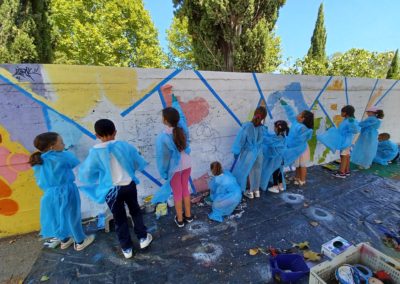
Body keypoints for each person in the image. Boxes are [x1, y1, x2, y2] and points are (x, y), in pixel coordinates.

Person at [78, 119, 152, 259]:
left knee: (119, 219)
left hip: (111, 191)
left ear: (97, 135)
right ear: (115, 132)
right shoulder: (124, 146)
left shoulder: (94, 152)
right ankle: (143, 238)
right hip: (128, 186)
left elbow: (86, 173)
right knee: (135, 211)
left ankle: (126, 248)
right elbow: (137, 161)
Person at [29, 132, 94, 251]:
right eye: (61, 142)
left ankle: (64, 240)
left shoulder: (37, 160)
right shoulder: (62, 156)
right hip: (67, 190)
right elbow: (74, 162)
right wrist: (65, 151)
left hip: (49, 194)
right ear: (52, 146)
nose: (64, 144)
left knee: (57, 216)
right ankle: (80, 241)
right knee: (72, 215)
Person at [152, 85, 193, 228]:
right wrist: (174, 101)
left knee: (177, 193)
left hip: (175, 168)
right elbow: (180, 115)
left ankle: (180, 219)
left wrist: (164, 173)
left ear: (165, 120)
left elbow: (162, 158)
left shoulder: (163, 137)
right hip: (187, 163)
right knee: (185, 190)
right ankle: (188, 216)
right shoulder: (182, 128)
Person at [232, 106, 267, 199]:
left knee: (245, 171)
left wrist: (236, 152)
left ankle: (249, 192)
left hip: (249, 153)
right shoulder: (263, 128)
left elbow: (240, 140)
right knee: (257, 171)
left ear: (254, 114)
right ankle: (256, 190)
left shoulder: (247, 126)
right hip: (259, 153)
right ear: (264, 117)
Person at [317, 105, 360, 178]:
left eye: (342, 112)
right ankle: (346, 171)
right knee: (346, 155)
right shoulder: (347, 119)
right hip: (345, 140)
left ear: (346, 113)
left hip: (345, 141)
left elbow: (355, 130)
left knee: (344, 156)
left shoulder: (350, 120)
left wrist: (352, 123)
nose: (341, 113)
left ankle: (341, 172)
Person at [280, 99, 314, 186]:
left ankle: (302, 180)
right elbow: (291, 114)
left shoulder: (303, 128)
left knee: (302, 165)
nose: (297, 115)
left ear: (303, 119)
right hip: (296, 149)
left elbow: (303, 136)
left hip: (302, 150)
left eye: (299, 114)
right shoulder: (296, 122)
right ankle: (297, 177)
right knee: (297, 164)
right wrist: (286, 105)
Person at [260, 120, 289, 193]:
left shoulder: (278, 138)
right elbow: (270, 136)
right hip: (281, 158)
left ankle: (275, 186)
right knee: (279, 171)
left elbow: (269, 141)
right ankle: (281, 185)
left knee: (275, 172)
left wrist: (262, 134)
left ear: (277, 128)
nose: (273, 128)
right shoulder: (282, 136)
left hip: (277, 159)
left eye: (274, 127)